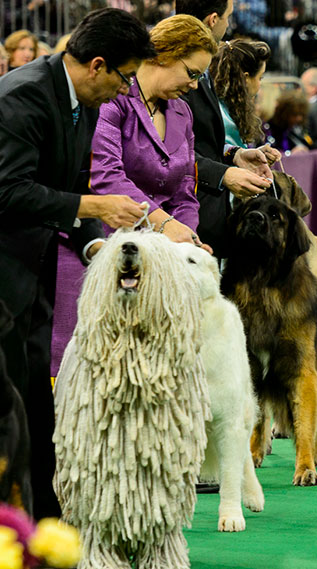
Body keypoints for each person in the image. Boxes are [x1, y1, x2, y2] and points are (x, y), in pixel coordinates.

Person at [0, 7, 155, 520]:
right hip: (5, 279)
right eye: (125, 78)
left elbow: (71, 187)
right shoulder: (22, 96)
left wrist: (96, 248)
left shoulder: (84, 102)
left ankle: (44, 522)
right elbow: (8, 192)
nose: (126, 91)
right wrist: (94, 208)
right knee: (10, 410)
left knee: (32, 404)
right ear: (97, 65)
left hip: (32, 277)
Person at [51, 14, 218, 379]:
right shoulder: (112, 99)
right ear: (164, 56)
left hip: (160, 262)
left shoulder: (183, 112)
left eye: (200, 77)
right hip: (97, 249)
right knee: (83, 374)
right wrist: (165, 226)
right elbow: (106, 177)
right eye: (192, 73)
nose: (194, 85)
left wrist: (185, 242)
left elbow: (185, 191)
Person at [177, 0, 277, 260]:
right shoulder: (182, 80)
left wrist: (235, 154)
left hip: (203, 218)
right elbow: (172, 154)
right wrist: (224, 174)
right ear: (213, 19)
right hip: (181, 221)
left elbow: (198, 144)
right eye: (228, 17)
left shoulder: (202, 71)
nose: (229, 25)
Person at [210, 38, 270, 148]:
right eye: (260, 78)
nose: (260, 84)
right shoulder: (225, 120)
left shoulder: (225, 106)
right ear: (246, 78)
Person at [263, 89, 313, 155]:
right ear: (285, 113)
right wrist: (290, 153)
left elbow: (309, 143)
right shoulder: (269, 128)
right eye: (294, 115)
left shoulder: (297, 128)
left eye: (301, 114)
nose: (299, 118)